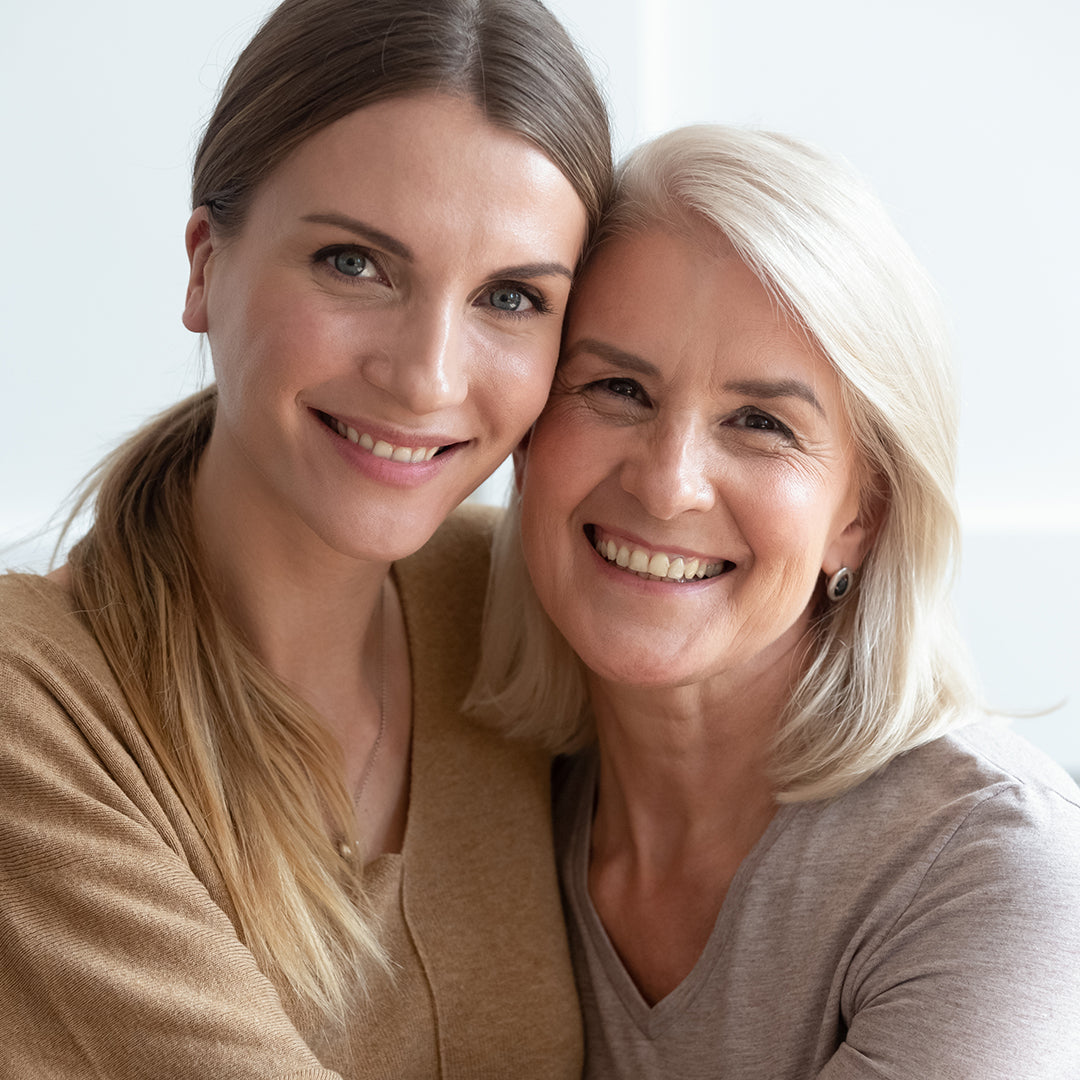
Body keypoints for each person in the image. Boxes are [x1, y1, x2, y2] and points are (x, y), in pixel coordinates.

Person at [0, 1, 611, 1076]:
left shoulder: (516, 608)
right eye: (354, 264)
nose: (427, 374)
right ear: (204, 265)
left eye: (510, 296)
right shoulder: (34, 703)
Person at [470, 124, 1080, 1078]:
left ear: (861, 514)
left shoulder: (994, 867)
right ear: (526, 436)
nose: (669, 485)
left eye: (760, 423)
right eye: (617, 387)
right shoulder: (485, 799)